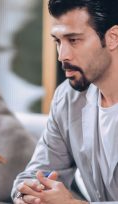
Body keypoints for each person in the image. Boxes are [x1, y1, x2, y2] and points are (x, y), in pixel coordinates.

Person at [12, 0, 118, 203]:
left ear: (112, 38)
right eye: (58, 41)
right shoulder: (68, 98)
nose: (62, 55)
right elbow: (32, 176)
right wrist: (30, 194)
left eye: (74, 40)